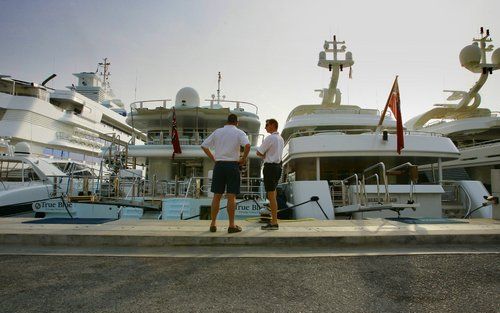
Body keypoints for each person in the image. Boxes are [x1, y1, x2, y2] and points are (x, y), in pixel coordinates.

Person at [201, 114, 250, 233]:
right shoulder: (239, 132)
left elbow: (204, 146)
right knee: (231, 196)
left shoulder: (217, 132)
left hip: (219, 165)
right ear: (237, 122)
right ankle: (231, 225)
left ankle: (213, 224)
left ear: (227, 121)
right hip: (232, 165)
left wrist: (214, 158)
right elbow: (247, 145)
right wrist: (243, 158)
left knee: (216, 196)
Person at [257, 118, 284, 230]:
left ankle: (274, 222)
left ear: (273, 125)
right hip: (278, 167)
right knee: (273, 193)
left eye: (267, 125)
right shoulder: (280, 138)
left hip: (270, 168)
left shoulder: (270, 138)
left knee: (271, 195)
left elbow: (259, 152)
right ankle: (274, 220)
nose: (265, 127)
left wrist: (265, 156)